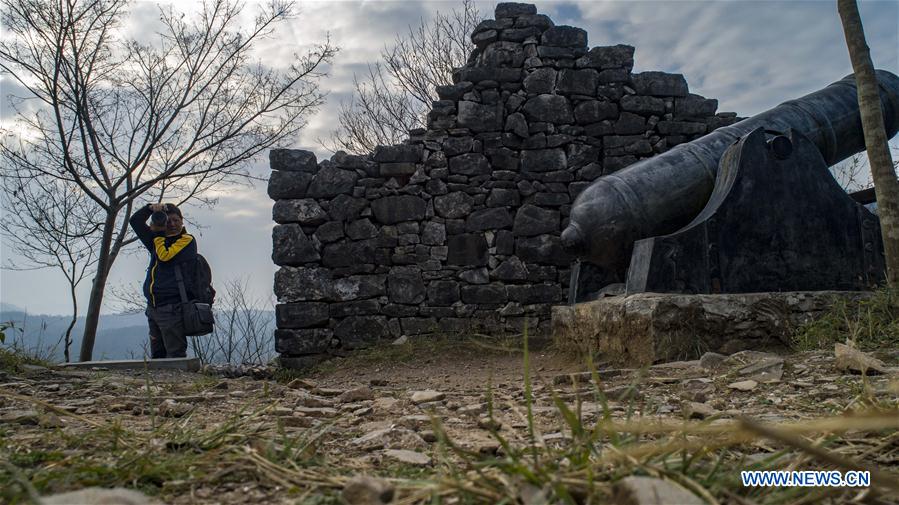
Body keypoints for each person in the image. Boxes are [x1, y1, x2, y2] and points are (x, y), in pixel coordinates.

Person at [129, 203, 198, 359]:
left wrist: (158, 235)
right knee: (158, 356)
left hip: (172, 307)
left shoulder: (186, 240)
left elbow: (164, 257)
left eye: (176, 220)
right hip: (153, 306)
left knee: (175, 355)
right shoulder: (157, 240)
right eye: (168, 221)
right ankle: (158, 384)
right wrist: (149, 208)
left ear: (182, 221)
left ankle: (179, 383)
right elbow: (135, 221)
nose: (172, 224)